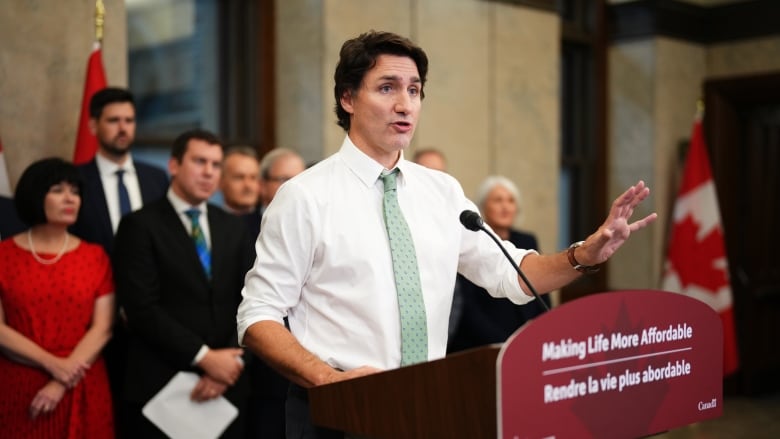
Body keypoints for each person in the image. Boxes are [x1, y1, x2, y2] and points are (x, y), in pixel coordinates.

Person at [236, 30, 656, 438]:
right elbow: (257, 316)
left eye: (415, 90)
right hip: (337, 410)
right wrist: (329, 380)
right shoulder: (305, 196)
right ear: (347, 98)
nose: (405, 104)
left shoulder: (442, 191)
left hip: (429, 404)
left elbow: (513, 275)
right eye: (387, 88)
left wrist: (586, 251)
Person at [112, 129, 254, 438]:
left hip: (227, 388)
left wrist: (227, 365)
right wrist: (204, 357)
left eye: (216, 165)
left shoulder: (232, 226)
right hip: (161, 386)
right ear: (173, 165)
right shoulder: (140, 225)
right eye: (199, 161)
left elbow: (249, 300)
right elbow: (141, 309)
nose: (208, 172)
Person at [69, 87, 169, 428]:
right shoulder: (74, 182)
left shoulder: (156, 178)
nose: (123, 128)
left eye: (129, 120)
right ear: (94, 125)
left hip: (153, 319)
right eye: (114, 120)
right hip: (91, 320)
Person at [0, 158, 114, 438]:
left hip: (82, 382)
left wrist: (63, 378)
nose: (69, 199)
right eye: (58, 190)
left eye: (75, 191)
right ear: (36, 195)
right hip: (21, 383)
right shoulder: (3, 255)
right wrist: (53, 365)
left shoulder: (95, 256)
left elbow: (103, 328)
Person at [447, 176, 550, 353]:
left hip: (527, 342)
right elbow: (467, 307)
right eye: (497, 200)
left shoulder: (527, 240)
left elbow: (540, 290)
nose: (505, 207)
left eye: (511, 201)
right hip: (483, 345)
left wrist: (542, 334)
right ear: (483, 207)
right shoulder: (472, 242)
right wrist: (505, 344)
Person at [219, 145, 262, 238]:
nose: (248, 185)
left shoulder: (269, 223)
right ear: (220, 182)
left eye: (253, 177)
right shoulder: (209, 224)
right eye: (239, 177)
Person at [258, 148, 306, 214]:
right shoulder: (244, 222)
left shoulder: (314, 220)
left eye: (299, 180)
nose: (293, 187)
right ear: (263, 185)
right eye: (284, 180)